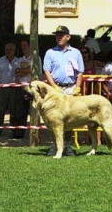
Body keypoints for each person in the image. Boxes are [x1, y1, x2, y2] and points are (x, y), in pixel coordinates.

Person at [43, 25, 84, 156]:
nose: (59, 37)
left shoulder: (76, 52)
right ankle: (54, 145)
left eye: (61, 35)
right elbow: (47, 71)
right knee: (53, 119)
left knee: (69, 119)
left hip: (71, 88)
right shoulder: (50, 52)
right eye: (57, 35)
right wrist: (53, 86)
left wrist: (77, 88)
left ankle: (67, 145)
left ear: (68, 36)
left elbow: (80, 72)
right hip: (56, 89)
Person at [12, 39, 42, 139]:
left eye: (25, 45)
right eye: (22, 46)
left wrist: (24, 70)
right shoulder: (19, 60)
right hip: (22, 87)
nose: (23, 48)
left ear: (30, 46)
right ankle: (19, 133)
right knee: (20, 111)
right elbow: (16, 72)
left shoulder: (36, 58)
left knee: (35, 110)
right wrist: (26, 70)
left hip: (33, 87)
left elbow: (33, 70)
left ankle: (35, 133)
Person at [0, 42, 18, 138]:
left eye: (10, 50)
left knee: (13, 110)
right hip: (2, 88)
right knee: (0, 110)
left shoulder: (18, 62)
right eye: (6, 49)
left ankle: (14, 131)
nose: (8, 51)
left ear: (14, 51)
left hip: (14, 89)